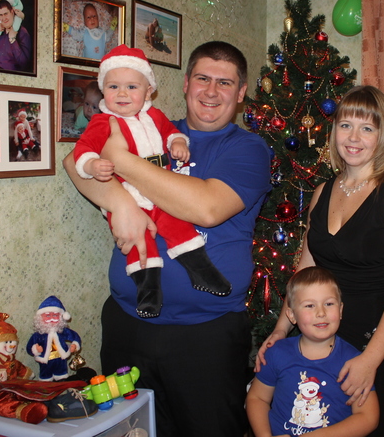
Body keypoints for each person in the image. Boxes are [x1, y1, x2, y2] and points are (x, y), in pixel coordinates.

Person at [62, 41, 271, 437]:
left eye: (225, 83)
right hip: (127, 325)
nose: (211, 92)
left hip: (205, 333)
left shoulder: (248, 149)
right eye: (203, 79)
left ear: (241, 93)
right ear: (186, 83)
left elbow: (206, 208)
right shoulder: (149, 126)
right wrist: (121, 203)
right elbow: (74, 163)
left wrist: (122, 160)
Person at [257, 86, 384, 437]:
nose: (354, 137)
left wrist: (369, 360)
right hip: (323, 342)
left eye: (367, 128)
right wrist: (281, 329)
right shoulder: (323, 191)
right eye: (346, 125)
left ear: (383, 136)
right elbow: (305, 273)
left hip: (377, 347)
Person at [72, 44, 233, 318]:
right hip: (128, 192)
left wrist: (178, 142)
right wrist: (91, 165)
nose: (122, 93)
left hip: (160, 191)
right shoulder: (102, 122)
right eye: (113, 87)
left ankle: (202, 272)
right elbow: (82, 150)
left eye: (132, 87)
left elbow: (170, 132)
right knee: (139, 242)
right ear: (103, 90)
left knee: (180, 227)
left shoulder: (154, 116)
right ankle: (148, 293)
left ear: (148, 92)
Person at [248, 267, 379, 437]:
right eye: (309, 305)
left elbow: (368, 417)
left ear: (340, 310)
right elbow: (257, 398)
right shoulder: (277, 353)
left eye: (329, 304)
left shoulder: (353, 362)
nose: (321, 313)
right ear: (292, 315)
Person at [26, 296, 81, 381]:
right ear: (40, 318)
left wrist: (75, 345)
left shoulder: (62, 331)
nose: (51, 318)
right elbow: (29, 348)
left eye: (55, 315)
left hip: (60, 360)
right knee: (46, 380)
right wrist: (36, 349)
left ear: (61, 317)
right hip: (45, 362)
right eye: (47, 315)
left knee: (62, 379)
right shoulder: (38, 335)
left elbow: (75, 337)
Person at [0, 0, 32, 72]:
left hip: (12, 74)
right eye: (1, 15)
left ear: (12, 12)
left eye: (6, 14)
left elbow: (24, 63)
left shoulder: (23, 32)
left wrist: (13, 41)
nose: (4, 18)